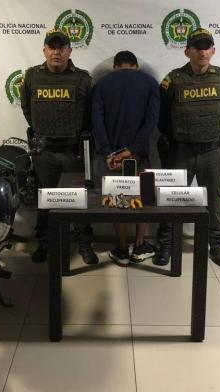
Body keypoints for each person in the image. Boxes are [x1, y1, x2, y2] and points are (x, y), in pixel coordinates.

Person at [154, 28, 220, 268]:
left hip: (211, 151)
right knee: (170, 200)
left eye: (206, 47)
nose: (202, 52)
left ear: (213, 50)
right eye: (197, 47)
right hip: (180, 152)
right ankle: (166, 244)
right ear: (187, 51)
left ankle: (217, 245)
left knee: (215, 202)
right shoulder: (173, 80)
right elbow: (162, 117)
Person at [20, 28, 97, 265]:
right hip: (44, 152)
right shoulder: (31, 77)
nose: (56, 52)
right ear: (44, 50)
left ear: (69, 51)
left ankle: (84, 243)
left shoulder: (83, 79)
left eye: (61, 47)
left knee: (79, 199)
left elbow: (90, 114)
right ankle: (45, 242)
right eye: (52, 47)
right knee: (45, 199)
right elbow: (27, 109)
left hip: (72, 151)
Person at [92, 50, 160, 265]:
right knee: (144, 199)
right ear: (135, 66)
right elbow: (151, 122)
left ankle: (122, 249)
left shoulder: (102, 84)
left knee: (117, 199)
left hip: (112, 158)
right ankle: (139, 246)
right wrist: (133, 149)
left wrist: (108, 152)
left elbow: (97, 121)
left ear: (115, 66)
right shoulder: (150, 83)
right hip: (140, 155)